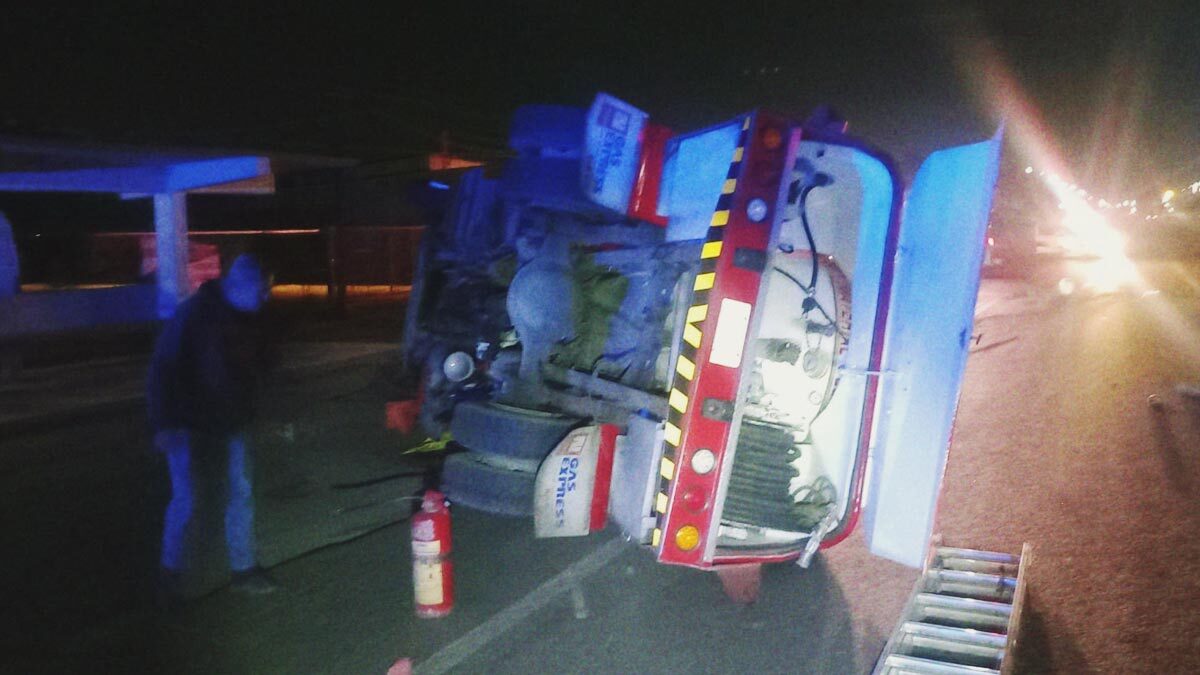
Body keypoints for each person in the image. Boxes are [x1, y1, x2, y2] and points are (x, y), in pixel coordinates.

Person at [147, 253, 277, 601]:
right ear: (242, 287)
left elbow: (261, 369)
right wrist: (163, 423)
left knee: (241, 492)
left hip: (232, 420)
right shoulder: (194, 314)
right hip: (188, 422)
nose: (266, 298)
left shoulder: (249, 317)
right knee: (187, 499)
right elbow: (163, 368)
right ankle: (170, 573)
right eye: (262, 291)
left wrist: (264, 413)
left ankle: (244, 569)